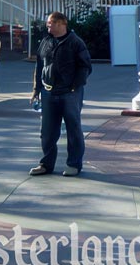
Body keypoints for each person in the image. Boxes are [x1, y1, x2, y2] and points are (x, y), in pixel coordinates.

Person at [29, 12, 93, 177]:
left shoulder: (75, 42)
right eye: (48, 23)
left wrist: (75, 86)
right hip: (48, 92)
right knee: (47, 131)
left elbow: (85, 66)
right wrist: (37, 90)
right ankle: (46, 164)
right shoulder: (45, 41)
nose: (47, 26)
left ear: (60, 24)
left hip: (69, 93)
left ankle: (74, 164)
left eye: (50, 23)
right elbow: (39, 66)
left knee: (73, 129)